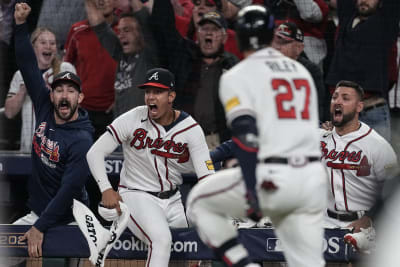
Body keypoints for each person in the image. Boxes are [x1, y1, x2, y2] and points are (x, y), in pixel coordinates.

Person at [187, 5, 327, 267]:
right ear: (270, 35)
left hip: (274, 177)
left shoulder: (238, 74)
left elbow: (246, 136)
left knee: (198, 203)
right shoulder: (300, 72)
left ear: (237, 37)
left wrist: (251, 189)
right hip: (312, 179)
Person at [86, 67, 215, 267]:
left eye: (158, 92)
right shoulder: (133, 118)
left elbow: (207, 177)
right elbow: (94, 153)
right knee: (161, 241)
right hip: (136, 195)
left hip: (173, 200)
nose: (150, 97)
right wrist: (106, 189)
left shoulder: (190, 128)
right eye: (148, 91)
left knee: (188, 253)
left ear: (171, 96)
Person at [12, 2, 93, 259]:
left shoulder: (82, 139)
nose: (64, 96)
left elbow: (68, 190)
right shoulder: (45, 104)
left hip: (71, 218)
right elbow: (27, 63)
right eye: (59, 90)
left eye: (71, 91)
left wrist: (40, 227)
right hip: (38, 213)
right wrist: (21, 26)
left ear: (80, 98)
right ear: (52, 94)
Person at [320, 80, 398, 253]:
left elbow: (392, 193)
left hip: (364, 228)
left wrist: (369, 219)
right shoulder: (320, 138)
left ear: (359, 107)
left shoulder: (377, 145)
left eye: (346, 98)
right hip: (325, 224)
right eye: (334, 97)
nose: (337, 101)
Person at [152, 0, 239, 149]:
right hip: (182, 140)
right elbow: (162, 25)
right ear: (198, 35)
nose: (209, 32)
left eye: (215, 29)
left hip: (217, 142)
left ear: (225, 37)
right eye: (204, 28)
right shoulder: (184, 57)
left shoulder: (232, 67)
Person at [326, 0, 400, 142]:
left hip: (373, 112)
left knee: (378, 164)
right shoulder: (346, 19)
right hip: (342, 115)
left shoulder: (385, 24)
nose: (364, 1)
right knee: (340, 163)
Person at [5, 27, 76, 153]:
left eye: (52, 43)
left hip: (59, 148)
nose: (48, 46)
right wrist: (24, 89)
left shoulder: (65, 69)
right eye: (43, 42)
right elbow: (9, 113)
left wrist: (49, 91)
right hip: (29, 150)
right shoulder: (20, 75)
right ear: (33, 47)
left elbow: (75, 107)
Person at [85, 0, 159, 117]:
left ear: (141, 33)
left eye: (127, 30)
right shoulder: (121, 54)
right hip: (120, 129)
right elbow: (99, 26)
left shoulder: (149, 55)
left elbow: (143, 16)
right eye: (119, 31)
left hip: (144, 130)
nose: (121, 35)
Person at [64, 0, 118, 140]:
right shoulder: (77, 30)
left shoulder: (125, 28)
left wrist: (123, 99)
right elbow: (65, 67)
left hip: (115, 111)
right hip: (83, 110)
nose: (101, 1)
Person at [271, 21, 330, 122]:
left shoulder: (311, 72)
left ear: (299, 48)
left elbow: (316, 108)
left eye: (284, 43)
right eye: (276, 41)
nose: (277, 47)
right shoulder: (264, 66)